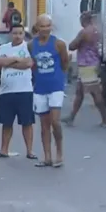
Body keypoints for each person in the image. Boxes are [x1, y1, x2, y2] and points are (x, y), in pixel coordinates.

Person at [29, 14, 70, 168]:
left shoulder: (58, 44)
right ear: (37, 27)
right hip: (40, 88)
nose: (45, 29)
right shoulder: (31, 45)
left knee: (55, 122)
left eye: (48, 26)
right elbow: (32, 65)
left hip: (56, 87)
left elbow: (65, 62)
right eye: (43, 26)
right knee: (44, 124)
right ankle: (47, 156)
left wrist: (60, 78)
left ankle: (59, 152)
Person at [0, 24, 36, 159]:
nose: (17, 36)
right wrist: (16, 59)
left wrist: (8, 62)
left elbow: (28, 64)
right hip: (6, 92)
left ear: (23, 34)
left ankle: (29, 151)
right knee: (6, 122)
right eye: (15, 33)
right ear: (10, 34)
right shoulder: (3, 48)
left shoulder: (27, 47)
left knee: (27, 123)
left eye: (20, 33)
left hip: (24, 91)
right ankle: (3, 149)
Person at [63, 12, 106, 127]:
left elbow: (72, 46)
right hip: (92, 63)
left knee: (95, 92)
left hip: (87, 64)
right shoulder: (96, 30)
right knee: (80, 92)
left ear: (83, 20)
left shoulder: (84, 32)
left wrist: (75, 43)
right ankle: (71, 117)